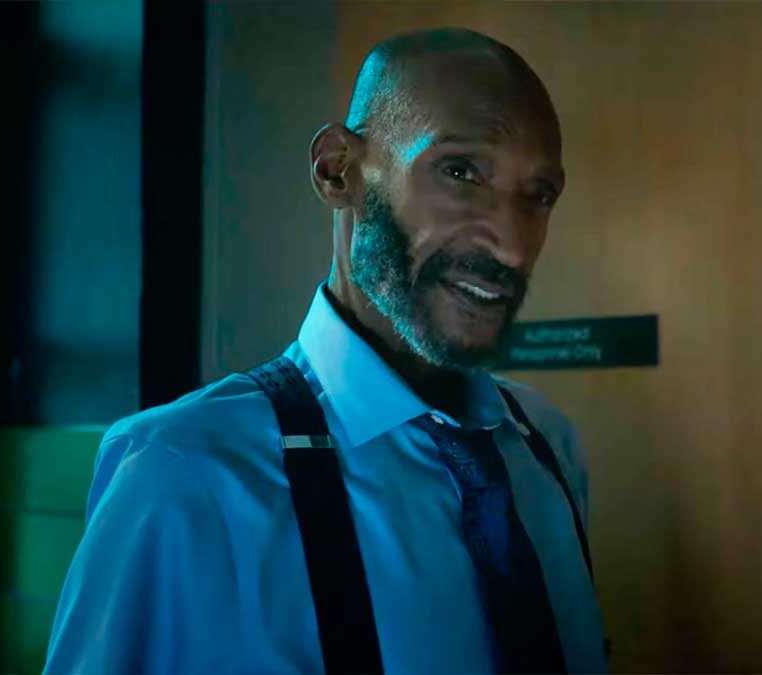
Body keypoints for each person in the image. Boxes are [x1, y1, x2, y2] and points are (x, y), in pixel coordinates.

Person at [44, 27, 606, 675]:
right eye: (460, 172)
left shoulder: (547, 449)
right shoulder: (183, 472)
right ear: (337, 170)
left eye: (539, 195)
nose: (510, 244)